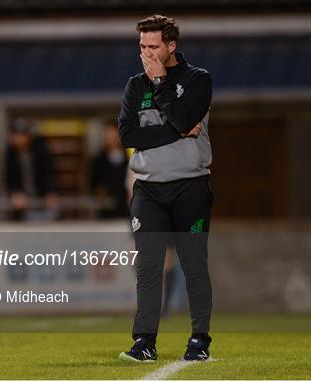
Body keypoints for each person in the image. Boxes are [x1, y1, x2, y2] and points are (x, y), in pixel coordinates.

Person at [117, 15, 214, 362]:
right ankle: (144, 342)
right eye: (142, 47)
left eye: (153, 47)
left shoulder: (198, 80)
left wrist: (160, 83)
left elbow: (186, 117)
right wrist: (176, 132)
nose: (146, 53)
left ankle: (200, 339)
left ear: (171, 46)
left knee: (193, 264)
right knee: (148, 265)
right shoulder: (133, 86)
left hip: (191, 186)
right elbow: (129, 136)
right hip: (149, 190)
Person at [5, 118, 59, 221]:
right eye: (16, 135)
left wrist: (51, 192)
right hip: (24, 204)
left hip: (43, 199)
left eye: (22, 135)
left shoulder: (41, 149)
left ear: (28, 135)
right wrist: (15, 193)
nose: (19, 138)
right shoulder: (10, 153)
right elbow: (9, 178)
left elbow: (49, 173)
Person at [90, 120, 130, 218]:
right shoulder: (99, 159)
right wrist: (99, 190)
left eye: (113, 134)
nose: (110, 137)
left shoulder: (129, 158)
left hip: (126, 207)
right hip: (106, 209)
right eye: (108, 134)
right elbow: (93, 182)